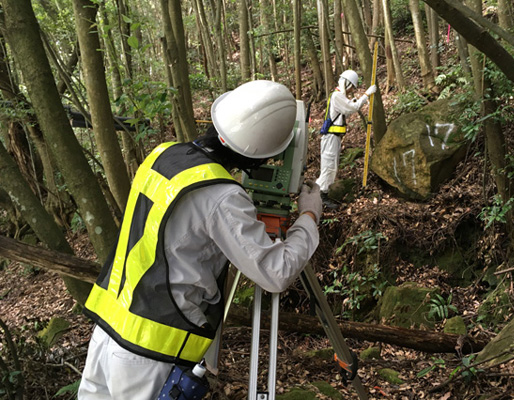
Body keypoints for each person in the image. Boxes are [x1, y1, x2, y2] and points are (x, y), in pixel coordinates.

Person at [77, 80, 322, 399]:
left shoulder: (163, 155)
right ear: (262, 156)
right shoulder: (222, 196)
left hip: (107, 331)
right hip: (150, 352)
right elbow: (275, 273)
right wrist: (309, 217)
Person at [316, 69, 377, 209]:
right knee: (328, 167)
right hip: (331, 137)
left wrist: (355, 100)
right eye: (351, 88)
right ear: (347, 83)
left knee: (331, 167)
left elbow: (345, 111)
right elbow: (351, 108)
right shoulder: (337, 96)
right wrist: (366, 95)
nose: (350, 91)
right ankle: (320, 196)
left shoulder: (339, 97)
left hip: (334, 138)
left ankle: (322, 194)